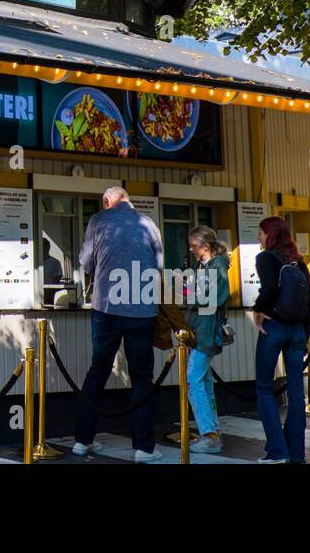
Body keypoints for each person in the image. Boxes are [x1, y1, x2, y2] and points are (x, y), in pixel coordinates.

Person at [73, 186, 165, 463]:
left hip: (107, 308)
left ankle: (82, 441)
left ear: (107, 201)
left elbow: (85, 262)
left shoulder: (98, 221)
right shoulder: (148, 223)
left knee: (97, 371)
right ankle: (144, 448)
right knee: (141, 377)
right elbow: (159, 266)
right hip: (142, 309)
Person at [253, 215, 310, 464]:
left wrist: (258, 310)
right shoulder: (299, 262)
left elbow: (268, 288)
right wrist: (306, 333)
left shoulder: (265, 258)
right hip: (298, 330)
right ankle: (296, 453)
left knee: (265, 388)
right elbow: (309, 300)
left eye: (261, 233)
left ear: (270, 235)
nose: (259, 237)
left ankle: (277, 451)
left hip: (274, 328)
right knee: (297, 393)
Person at [184, 225, 231, 454]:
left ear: (206, 246)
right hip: (203, 332)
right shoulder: (208, 265)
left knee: (193, 381)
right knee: (203, 382)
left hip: (206, 333)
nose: (191, 249)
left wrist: (187, 294)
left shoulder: (216, 266)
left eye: (194, 246)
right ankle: (212, 431)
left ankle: (210, 435)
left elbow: (211, 299)